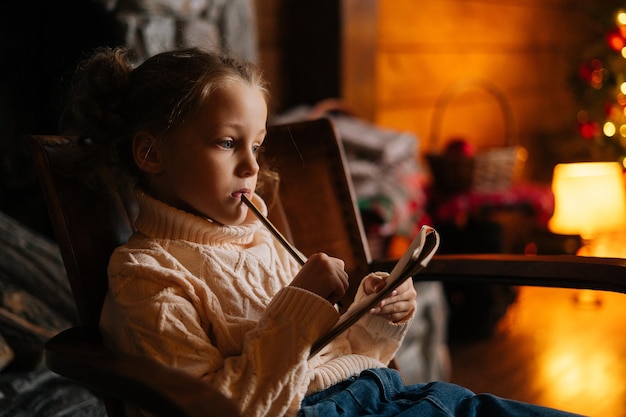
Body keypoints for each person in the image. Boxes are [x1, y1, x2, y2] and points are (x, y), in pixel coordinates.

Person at [60, 46, 582, 417]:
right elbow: (224, 408)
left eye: (257, 146)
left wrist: (374, 321)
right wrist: (298, 304)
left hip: (387, 393)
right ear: (151, 153)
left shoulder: (257, 237)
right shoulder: (145, 275)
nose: (251, 167)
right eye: (225, 143)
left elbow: (329, 359)